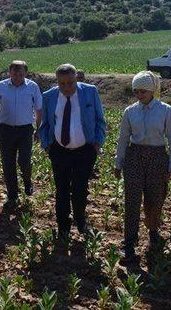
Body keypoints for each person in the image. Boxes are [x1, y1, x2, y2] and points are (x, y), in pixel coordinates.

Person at [115, 71, 171, 262]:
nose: (139, 95)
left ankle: (153, 232)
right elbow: (123, 139)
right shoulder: (130, 111)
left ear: (152, 90)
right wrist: (118, 163)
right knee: (132, 200)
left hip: (157, 156)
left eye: (143, 91)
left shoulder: (165, 110)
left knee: (155, 197)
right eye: (136, 91)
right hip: (134, 156)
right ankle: (129, 241)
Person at [38, 64, 106, 237]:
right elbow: (44, 124)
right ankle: (63, 227)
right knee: (61, 190)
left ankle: (81, 221)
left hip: (85, 150)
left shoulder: (90, 92)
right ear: (57, 82)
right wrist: (47, 146)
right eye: (62, 84)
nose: (67, 87)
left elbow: (100, 120)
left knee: (80, 189)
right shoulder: (49, 96)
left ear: (76, 78)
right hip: (59, 151)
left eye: (70, 83)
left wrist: (97, 143)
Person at [0, 60, 43, 205]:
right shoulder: (1, 86)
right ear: (9, 72)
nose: (17, 76)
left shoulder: (32, 87)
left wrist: (38, 128)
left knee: (24, 161)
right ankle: (12, 196)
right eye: (14, 73)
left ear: (25, 73)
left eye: (20, 73)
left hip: (25, 130)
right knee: (8, 163)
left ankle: (28, 182)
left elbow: (39, 109)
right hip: (6, 129)